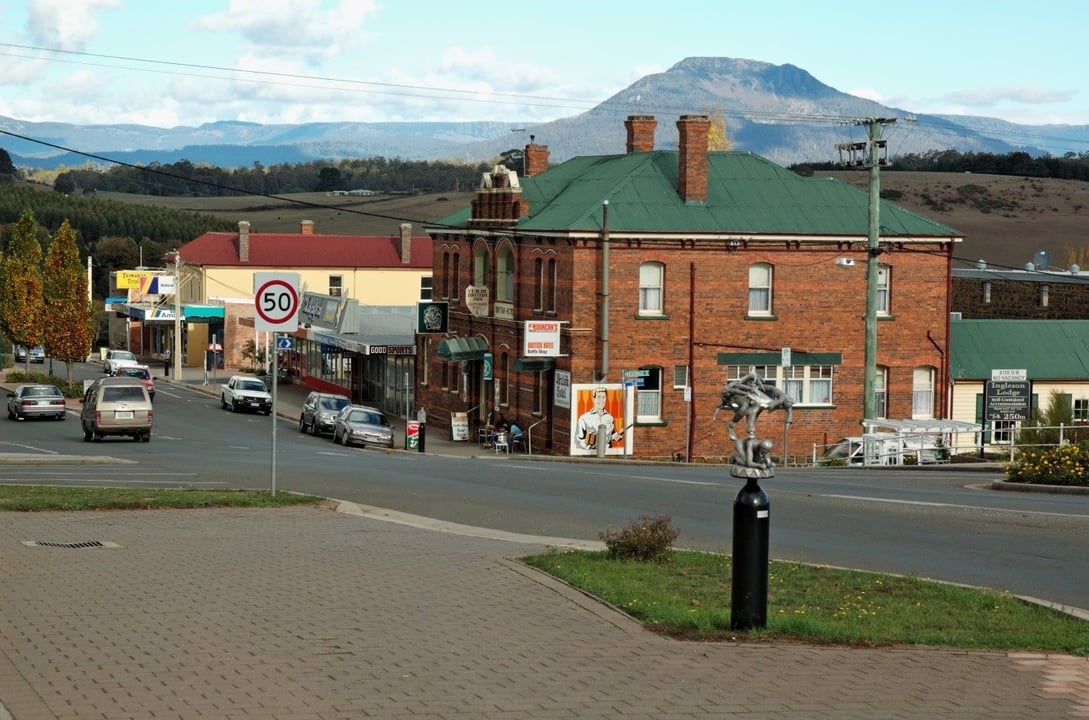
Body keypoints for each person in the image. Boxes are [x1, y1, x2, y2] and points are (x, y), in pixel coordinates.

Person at [575, 387, 622, 451]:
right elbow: (578, 440)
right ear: (593, 399)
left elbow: (610, 435)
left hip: (607, 453)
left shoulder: (610, 418)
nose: (601, 400)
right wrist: (590, 448)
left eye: (603, 397)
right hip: (592, 455)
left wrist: (615, 436)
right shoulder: (584, 418)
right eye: (599, 397)